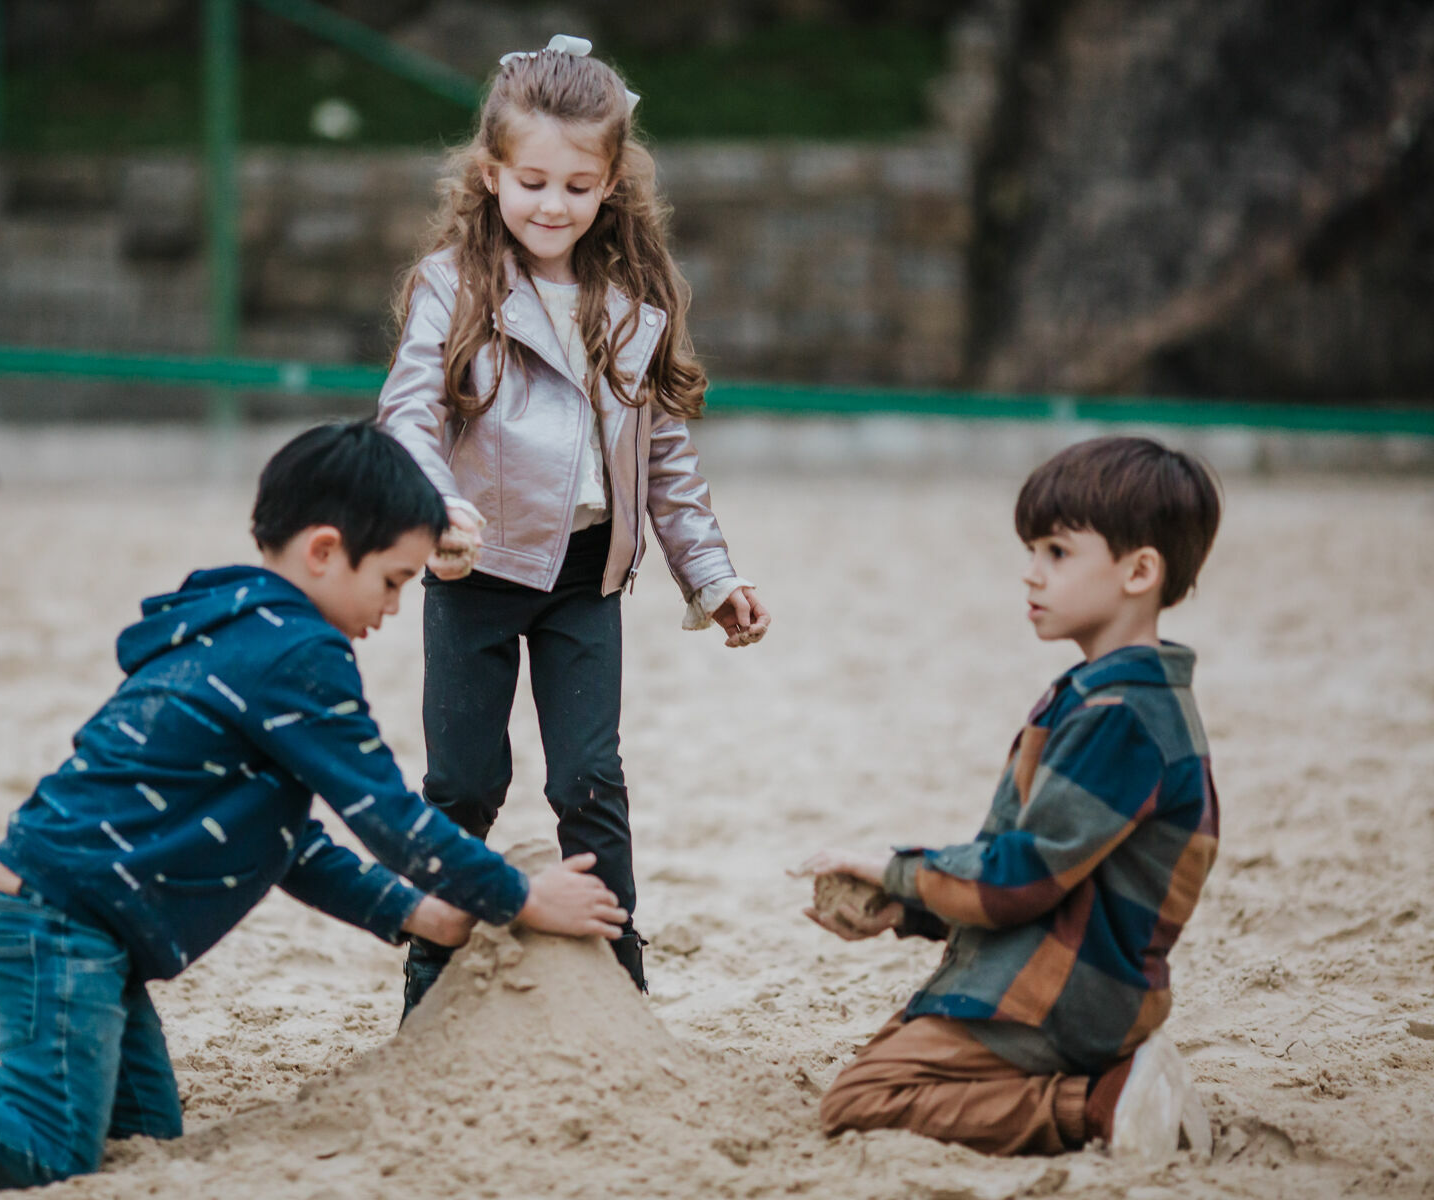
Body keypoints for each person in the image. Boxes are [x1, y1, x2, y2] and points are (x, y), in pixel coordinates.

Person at [0, 421, 626, 1189]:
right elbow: (386, 814)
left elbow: (284, 843)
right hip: (60, 917)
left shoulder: (237, 626)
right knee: (48, 1151)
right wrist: (518, 897)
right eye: (395, 579)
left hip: (86, 923)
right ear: (327, 550)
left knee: (140, 1130)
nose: (395, 605)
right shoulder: (299, 655)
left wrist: (411, 913)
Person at [377, 35, 772, 1011]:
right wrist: (437, 507)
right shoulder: (451, 283)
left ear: (610, 187)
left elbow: (668, 464)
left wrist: (712, 579)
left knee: (590, 780)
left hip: (587, 578)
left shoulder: (635, 303)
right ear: (492, 173)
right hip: (478, 568)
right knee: (465, 780)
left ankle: (616, 969)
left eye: (578, 185)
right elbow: (407, 410)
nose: (553, 205)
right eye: (534, 181)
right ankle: (433, 962)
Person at [795, 436, 1223, 1160]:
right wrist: (908, 909)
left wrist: (893, 869)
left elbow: (1023, 875)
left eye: (1057, 553)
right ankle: (1110, 1080)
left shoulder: (1119, 717)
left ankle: (1097, 1103)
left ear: (1139, 570)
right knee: (892, 1058)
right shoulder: (1103, 697)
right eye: (1031, 552)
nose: (1031, 575)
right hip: (1067, 976)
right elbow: (1043, 875)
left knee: (860, 1102)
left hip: (1063, 996)